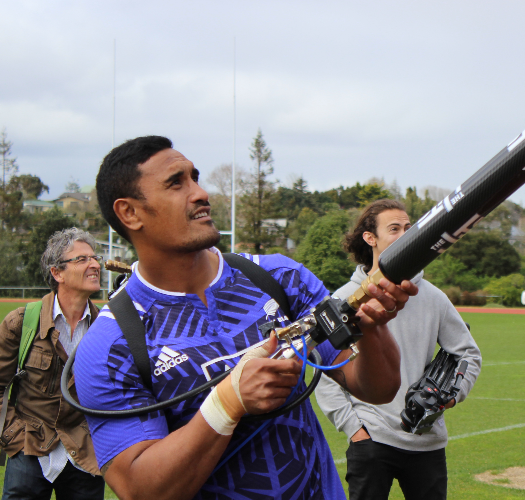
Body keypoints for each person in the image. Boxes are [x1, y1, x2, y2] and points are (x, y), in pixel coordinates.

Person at [73, 136, 417, 500]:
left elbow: (377, 389)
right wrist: (227, 403)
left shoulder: (280, 277)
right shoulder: (110, 344)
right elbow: (141, 489)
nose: (201, 193)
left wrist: (371, 328)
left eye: (195, 177)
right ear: (129, 213)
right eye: (176, 183)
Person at [315, 199, 482, 500]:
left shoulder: (433, 297)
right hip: (371, 441)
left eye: (408, 227)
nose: (405, 234)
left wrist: (451, 396)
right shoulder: (345, 300)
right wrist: (354, 428)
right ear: (371, 238)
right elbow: (325, 371)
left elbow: (468, 353)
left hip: (427, 441)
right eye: (394, 228)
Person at [0, 228, 105, 499]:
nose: (94, 264)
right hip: (29, 450)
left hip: (86, 454)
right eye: (82, 259)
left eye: (95, 258)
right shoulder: (21, 322)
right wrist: (14, 436)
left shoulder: (108, 328)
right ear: (57, 273)